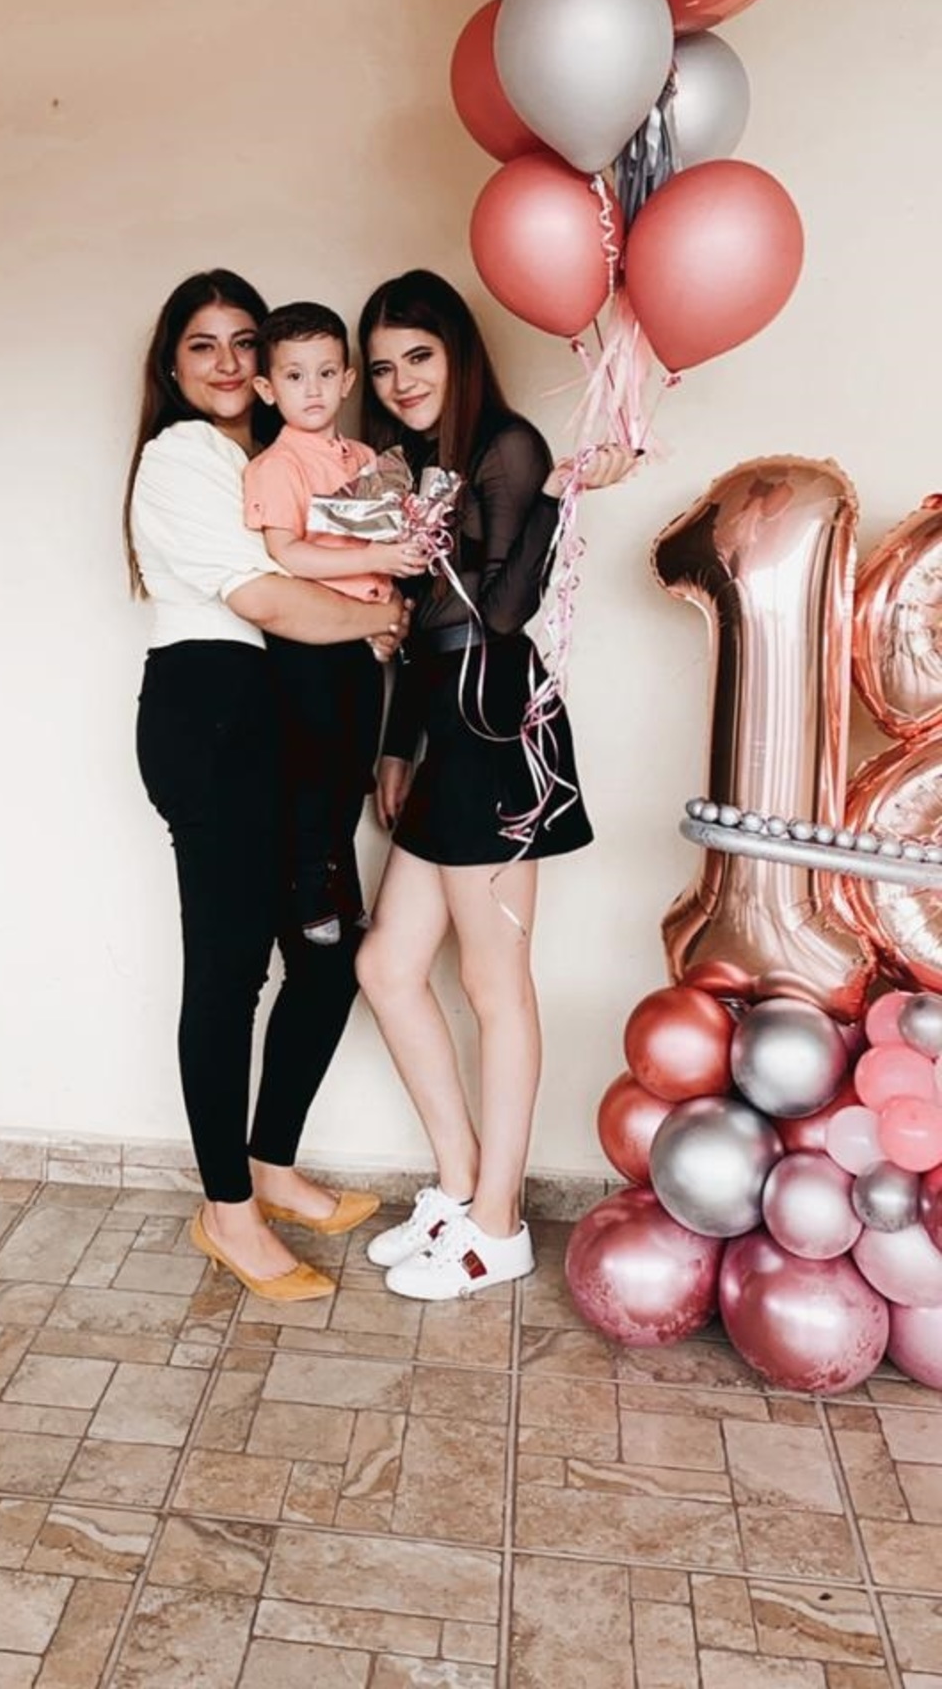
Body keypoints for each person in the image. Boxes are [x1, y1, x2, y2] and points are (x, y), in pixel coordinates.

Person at [126, 269, 406, 1304]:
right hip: (209, 715)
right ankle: (227, 1209)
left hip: (283, 724)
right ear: (171, 365)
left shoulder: (276, 458)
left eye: (244, 340)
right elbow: (270, 600)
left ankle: (271, 1161)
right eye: (202, 344)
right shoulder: (180, 455)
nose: (228, 361)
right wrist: (378, 618)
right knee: (230, 970)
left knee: (327, 951)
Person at [353, 269, 634, 1301]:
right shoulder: (414, 469)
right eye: (382, 367)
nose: (399, 381)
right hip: (441, 731)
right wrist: (395, 748)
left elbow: (503, 613)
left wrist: (556, 496)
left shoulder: (506, 447)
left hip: (497, 731)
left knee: (492, 985)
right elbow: (415, 632)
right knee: (388, 966)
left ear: (457, 352)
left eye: (417, 356)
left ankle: (499, 1226)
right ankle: (463, 1185)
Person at [243, 300, 426, 947]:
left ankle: (340, 893)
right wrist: (378, 561)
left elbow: (390, 540)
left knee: (352, 767)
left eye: (326, 374)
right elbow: (287, 553)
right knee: (316, 766)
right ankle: (310, 890)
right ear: (267, 388)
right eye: (294, 377)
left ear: (348, 380)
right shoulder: (277, 466)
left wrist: (391, 607)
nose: (313, 390)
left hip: (363, 644)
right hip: (310, 641)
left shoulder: (367, 458)